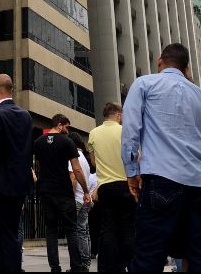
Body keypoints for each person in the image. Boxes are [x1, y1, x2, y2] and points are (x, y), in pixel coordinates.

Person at [121, 43, 201, 272]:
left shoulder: (144, 84)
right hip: (197, 184)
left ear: (160, 61)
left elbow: (131, 130)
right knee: (199, 253)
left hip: (161, 178)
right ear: (186, 67)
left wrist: (131, 173)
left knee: (149, 254)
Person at [0, 74, 33, 273]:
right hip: (20, 185)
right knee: (11, 233)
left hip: (0, 186)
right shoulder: (25, 115)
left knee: (5, 237)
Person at [34, 114, 90, 272]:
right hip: (64, 192)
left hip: (45, 191)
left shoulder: (38, 142)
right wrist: (85, 190)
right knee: (71, 229)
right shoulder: (67, 142)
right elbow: (77, 169)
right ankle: (76, 267)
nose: (67, 130)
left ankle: (55, 268)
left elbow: (38, 164)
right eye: (66, 127)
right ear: (59, 124)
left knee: (50, 231)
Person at [87, 102, 134, 272]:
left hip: (105, 186)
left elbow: (93, 162)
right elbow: (136, 157)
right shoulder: (125, 132)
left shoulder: (93, 133)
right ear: (119, 115)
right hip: (126, 184)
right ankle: (129, 263)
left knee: (108, 228)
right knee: (128, 227)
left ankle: (109, 267)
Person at [68, 132, 93, 271]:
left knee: (77, 232)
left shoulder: (73, 158)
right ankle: (86, 261)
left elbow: (73, 178)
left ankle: (81, 262)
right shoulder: (84, 158)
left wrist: (69, 197)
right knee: (84, 231)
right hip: (84, 199)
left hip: (76, 199)